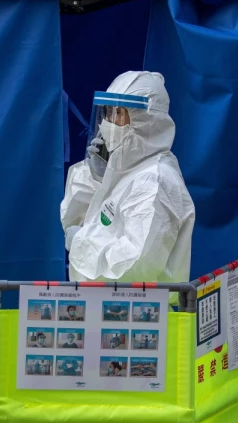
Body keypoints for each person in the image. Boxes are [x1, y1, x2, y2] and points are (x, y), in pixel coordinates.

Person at [62, 72, 195, 284]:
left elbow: (137, 267)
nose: (109, 122)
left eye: (119, 113)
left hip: (138, 305)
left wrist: (82, 243)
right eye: (108, 112)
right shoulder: (124, 172)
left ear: (146, 120)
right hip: (103, 301)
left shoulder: (154, 181)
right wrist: (95, 178)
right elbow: (74, 221)